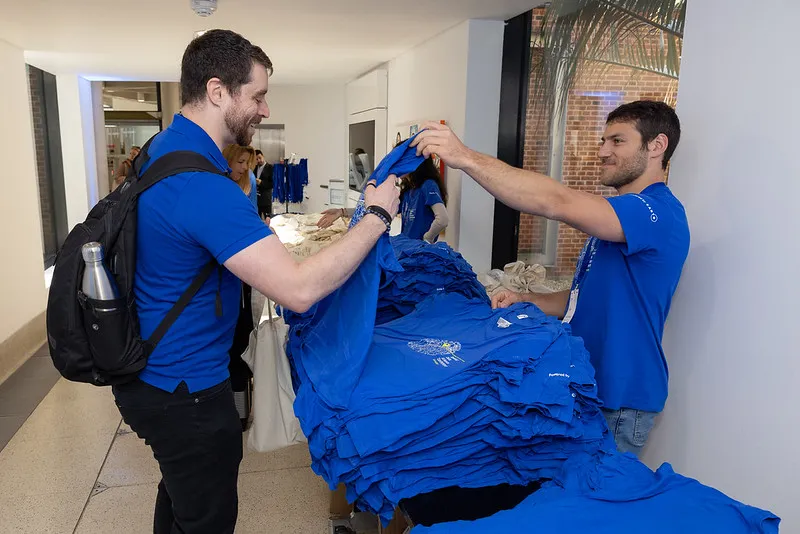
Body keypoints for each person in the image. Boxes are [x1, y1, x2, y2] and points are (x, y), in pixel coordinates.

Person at [111, 29, 399, 534]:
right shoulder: (202, 186)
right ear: (217, 91)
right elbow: (299, 290)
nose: (265, 110)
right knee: (206, 517)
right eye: (258, 96)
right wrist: (376, 216)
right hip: (185, 389)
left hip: (151, 373)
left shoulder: (161, 150)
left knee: (181, 498)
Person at [411, 101, 690, 456]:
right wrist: (528, 300)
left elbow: (556, 201)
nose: (602, 152)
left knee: (593, 493)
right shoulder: (622, 217)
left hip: (618, 399)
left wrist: (464, 157)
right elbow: (585, 297)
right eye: (603, 141)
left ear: (657, 146)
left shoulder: (657, 212)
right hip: (586, 384)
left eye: (618, 141)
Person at [398, 156, 448, 242]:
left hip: (418, 247)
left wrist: (428, 238)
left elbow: (443, 220)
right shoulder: (408, 189)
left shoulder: (428, 185)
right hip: (406, 245)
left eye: (400, 161)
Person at [255, 149, 273, 218]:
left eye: (260, 158)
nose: (259, 160)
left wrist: (261, 182)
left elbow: (272, 184)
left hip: (266, 200)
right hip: (256, 201)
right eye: (256, 159)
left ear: (263, 156)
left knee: (268, 220)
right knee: (257, 220)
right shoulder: (254, 168)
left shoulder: (270, 168)